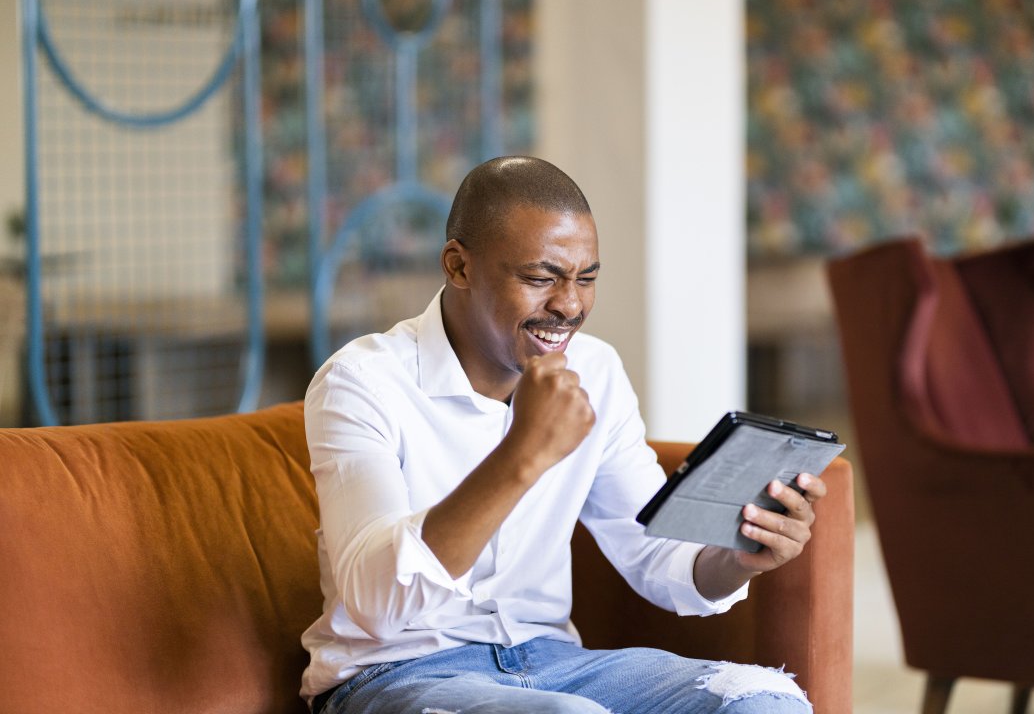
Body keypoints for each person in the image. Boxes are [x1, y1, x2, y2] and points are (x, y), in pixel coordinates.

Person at [301, 156, 827, 714]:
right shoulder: (361, 381)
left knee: (765, 701)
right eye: (540, 277)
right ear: (458, 267)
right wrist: (524, 454)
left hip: (552, 663)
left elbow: (653, 549)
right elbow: (377, 604)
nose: (570, 305)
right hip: (394, 675)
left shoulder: (596, 371)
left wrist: (738, 556)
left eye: (587, 278)